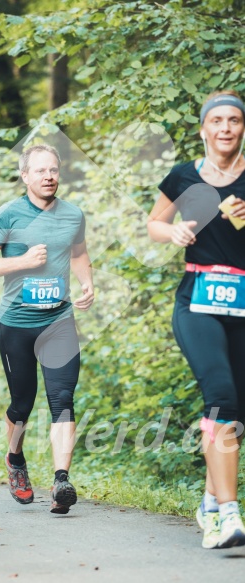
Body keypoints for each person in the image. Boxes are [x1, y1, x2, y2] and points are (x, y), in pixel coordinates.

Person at [0, 144, 94, 514]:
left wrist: (87, 282)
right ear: (25, 176)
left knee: (62, 399)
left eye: (53, 170)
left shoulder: (73, 215)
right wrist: (21, 261)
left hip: (58, 321)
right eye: (40, 171)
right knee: (22, 404)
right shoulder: (8, 215)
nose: (49, 176)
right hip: (17, 324)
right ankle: (15, 460)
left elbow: (78, 253)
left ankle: (61, 481)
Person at [147, 90, 245, 549]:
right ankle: (229, 515)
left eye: (234, 121)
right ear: (204, 129)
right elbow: (154, 223)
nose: (225, 128)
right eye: (217, 121)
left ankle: (209, 504)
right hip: (198, 300)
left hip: (243, 302)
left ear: (242, 128)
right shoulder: (184, 177)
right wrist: (175, 230)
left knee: (235, 415)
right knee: (221, 396)